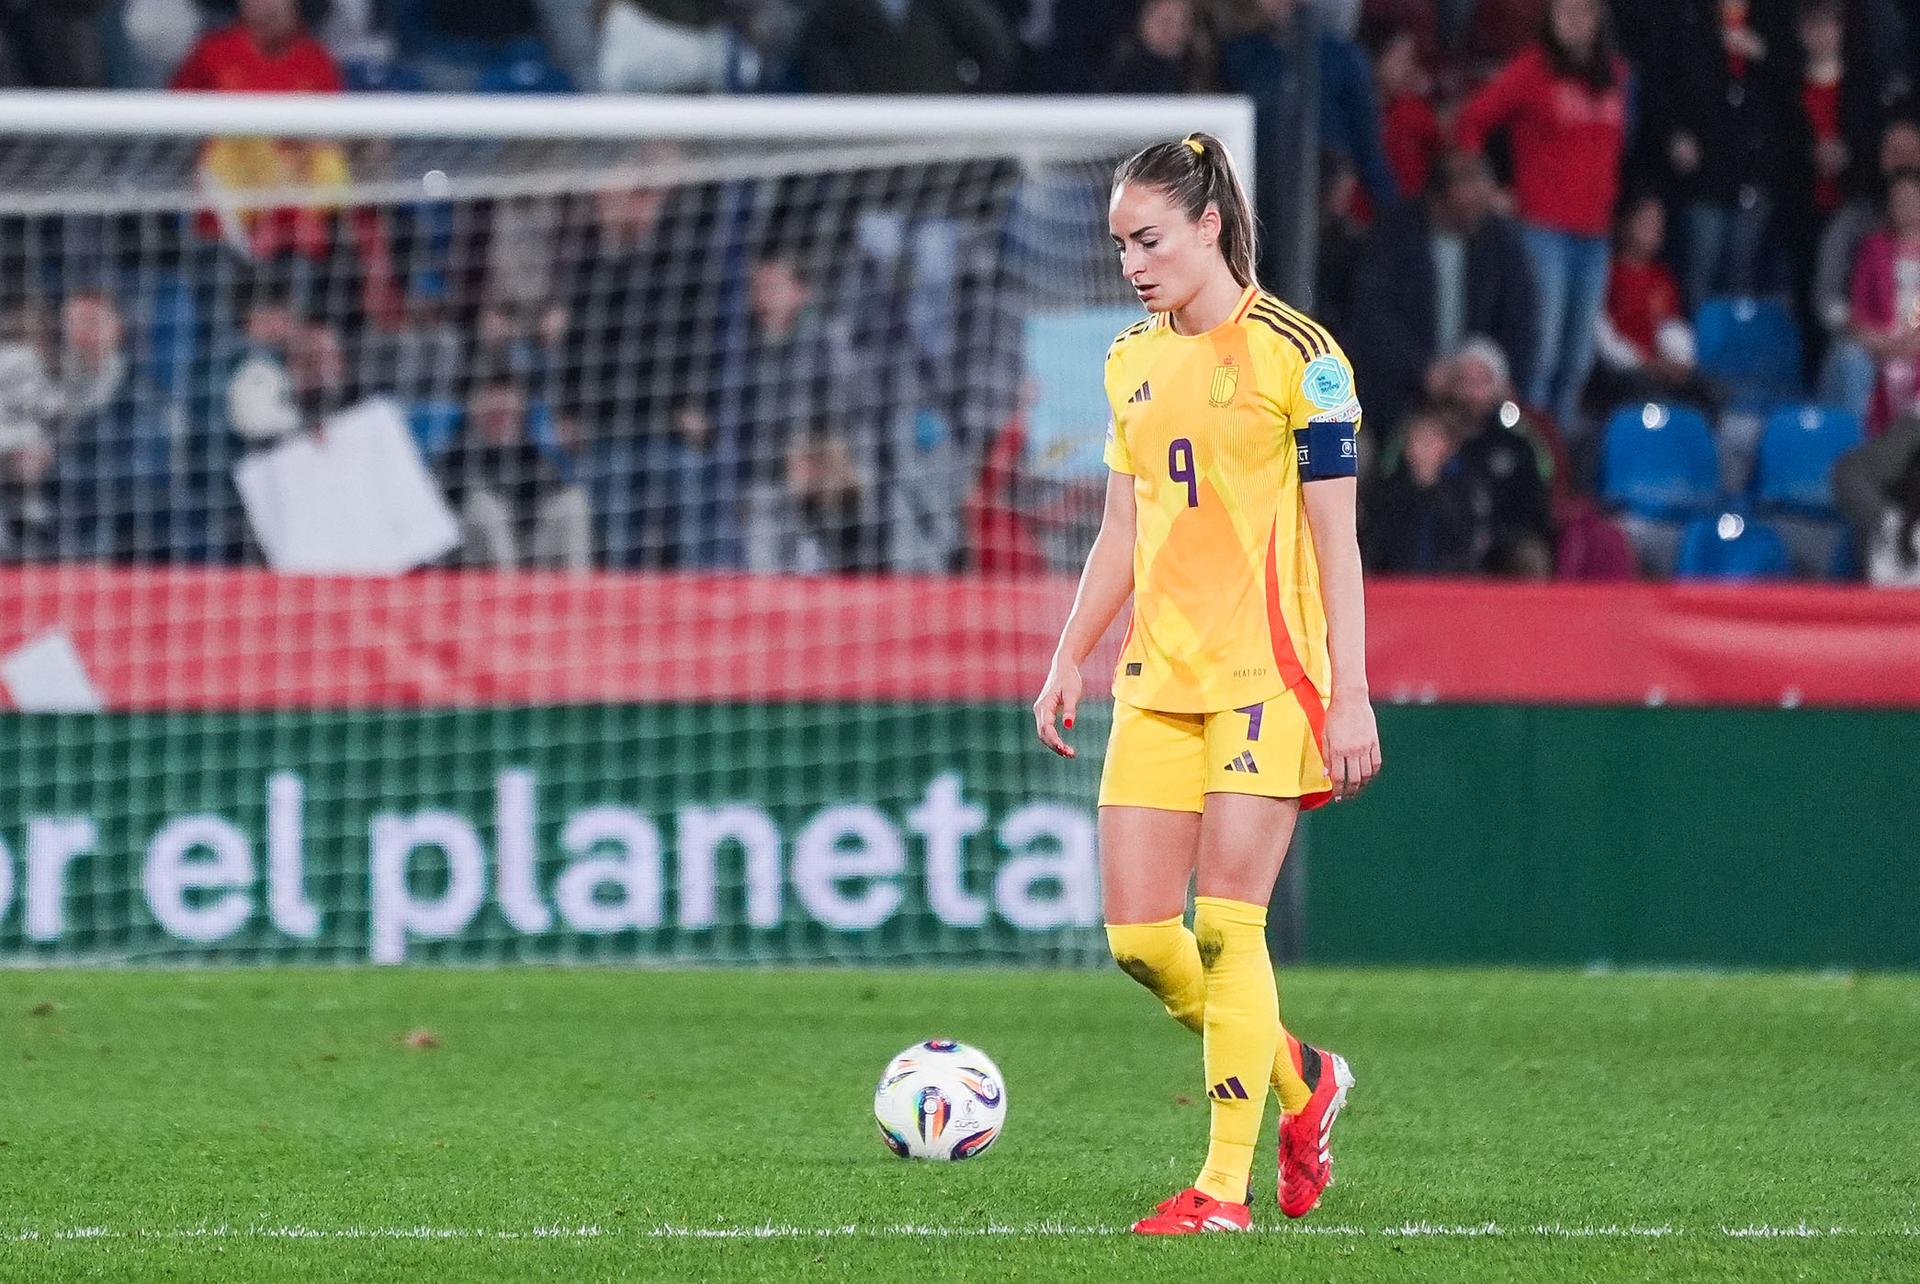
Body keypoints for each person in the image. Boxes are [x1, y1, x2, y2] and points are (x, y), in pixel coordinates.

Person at [1031, 133, 1376, 1236]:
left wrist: (1352, 693)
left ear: (1210, 226)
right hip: (1159, 676)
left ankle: (1222, 1190)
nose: (1132, 264)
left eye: (1149, 240)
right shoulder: (1128, 359)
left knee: (1229, 926)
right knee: (1141, 941)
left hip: (1268, 675)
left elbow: (1339, 543)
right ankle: (1302, 1079)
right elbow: (1122, 525)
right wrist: (1071, 651)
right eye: (1120, 246)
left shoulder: (1302, 358)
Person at [1455, 0, 1628, 435]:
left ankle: (1558, 451)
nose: (1574, 22)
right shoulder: (1532, 69)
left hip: (1595, 233)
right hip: (1543, 230)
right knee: (1542, 353)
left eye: (1584, 13)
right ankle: (1529, 445)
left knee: (1578, 358)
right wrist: (1486, 190)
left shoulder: (1615, 75)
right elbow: (1471, 119)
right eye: (1566, 12)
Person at [1346, 149, 1538, 434]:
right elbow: (1373, 317)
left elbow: (1521, 318)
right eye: (1469, 202)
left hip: (1482, 396)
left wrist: (1495, 373)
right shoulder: (1394, 234)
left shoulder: (1500, 239)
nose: (1479, 210)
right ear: (1439, 198)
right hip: (1402, 392)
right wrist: (1423, 370)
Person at [1361, 403, 1482, 573]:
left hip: (1451, 582)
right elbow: (1376, 545)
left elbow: (1469, 542)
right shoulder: (1386, 492)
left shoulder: (1464, 491)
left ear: (1448, 446)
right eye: (1419, 439)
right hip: (1394, 582)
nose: (1425, 447)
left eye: (1432, 440)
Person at [1848, 169, 1920, 435]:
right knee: (1852, 360)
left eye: (1913, 198)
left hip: (1916, 338)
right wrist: (1878, 341)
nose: (1906, 205)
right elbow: (1859, 306)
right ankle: (1859, 447)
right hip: (1881, 338)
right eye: (1899, 199)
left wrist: (1913, 342)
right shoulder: (1873, 247)